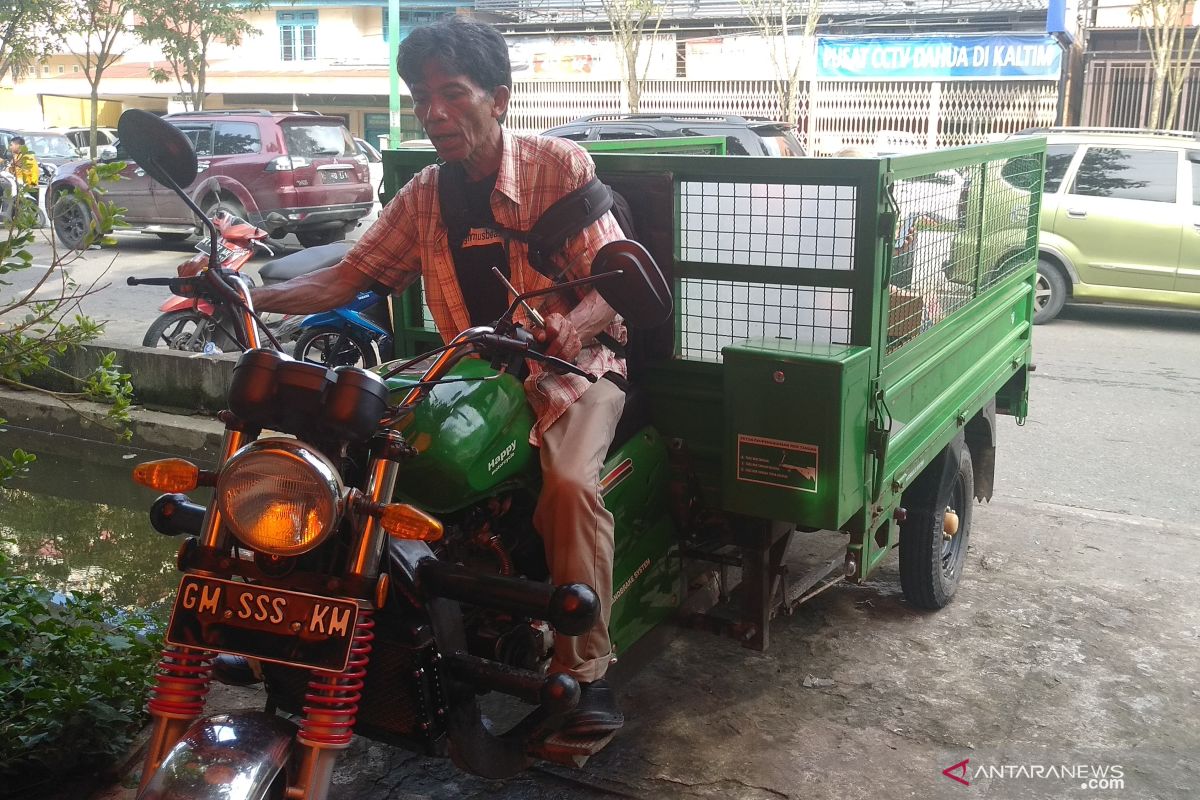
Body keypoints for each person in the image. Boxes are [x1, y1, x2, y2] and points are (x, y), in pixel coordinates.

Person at [252, 18, 627, 738]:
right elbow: (353, 274)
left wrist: (571, 327)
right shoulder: (426, 192)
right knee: (339, 444)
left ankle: (588, 674)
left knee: (571, 487)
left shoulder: (560, 167)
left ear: (500, 99)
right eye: (422, 98)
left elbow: (614, 280)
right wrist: (250, 295)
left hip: (574, 366)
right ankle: (313, 621)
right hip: (468, 366)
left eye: (452, 94)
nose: (435, 113)